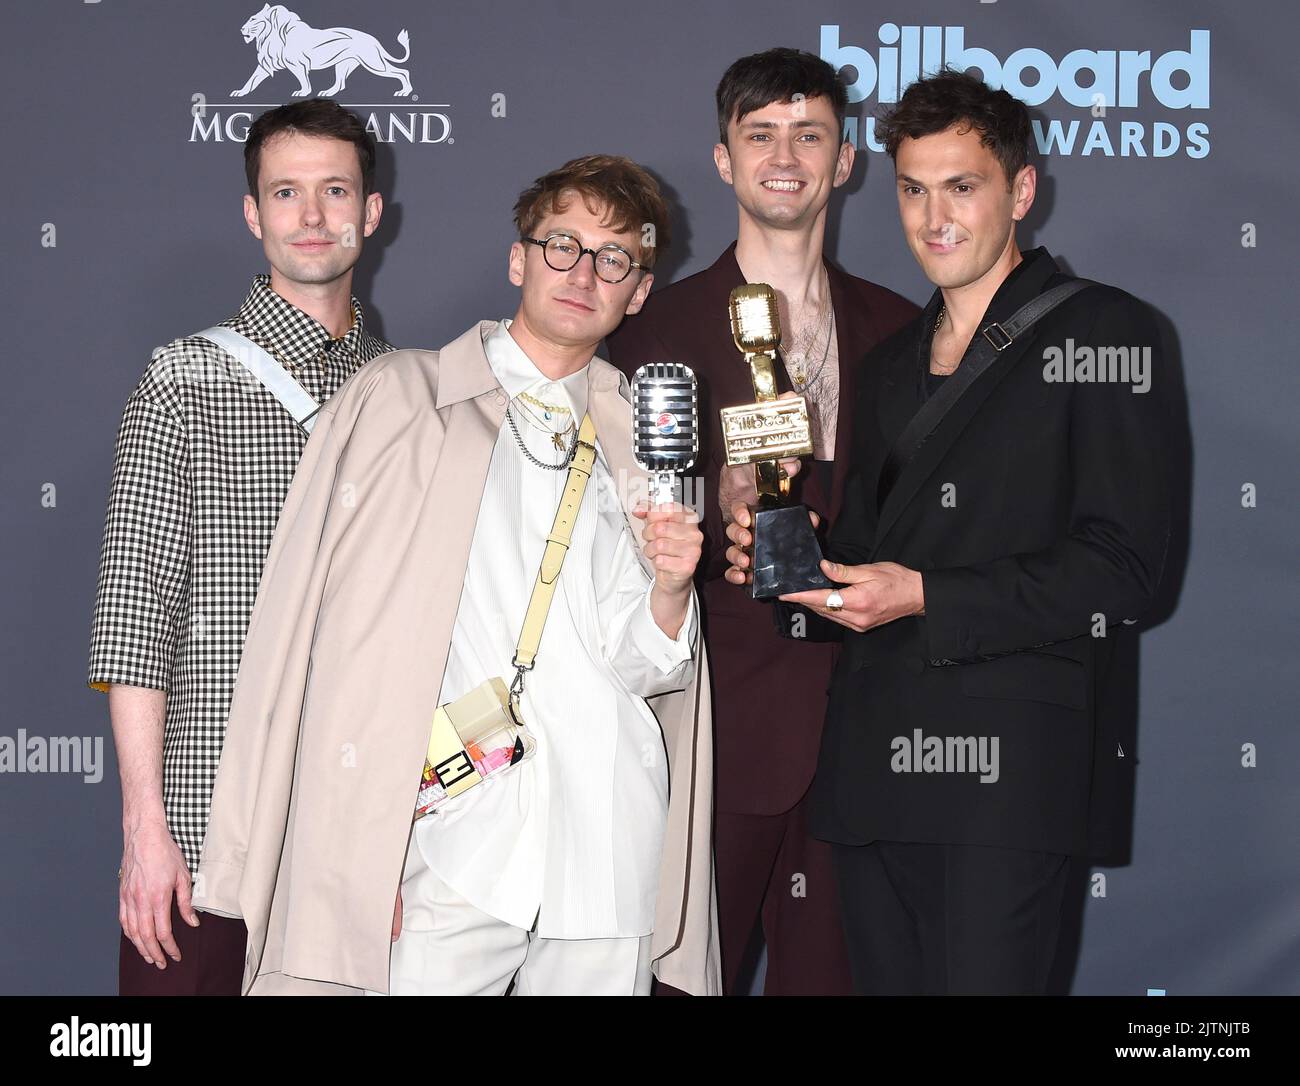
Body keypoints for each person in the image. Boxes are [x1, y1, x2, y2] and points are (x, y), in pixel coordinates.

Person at [193, 154, 721, 997]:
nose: (584, 273)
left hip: (606, 839)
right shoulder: (398, 399)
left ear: (640, 290)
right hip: (452, 831)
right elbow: (316, 638)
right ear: (518, 259)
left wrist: (669, 589)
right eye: (562, 246)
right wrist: (359, 849)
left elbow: (649, 667)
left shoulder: (647, 442)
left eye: (613, 257)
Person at [724, 68, 1171, 995]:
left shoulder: (1110, 333)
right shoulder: (889, 360)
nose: (935, 217)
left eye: (961, 187)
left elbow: (1127, 569)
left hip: (1009, 780)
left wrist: (926, 595)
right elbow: (870, 559)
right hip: (872, 777)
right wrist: (790, 553)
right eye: (914, 189)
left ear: (1021, 191)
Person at [606, 47, 916, 995]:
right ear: (725, 160)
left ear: (846, 160)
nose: (786, 156)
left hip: (864, 735)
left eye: (810, 134)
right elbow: (604, 537)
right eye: (762, 135)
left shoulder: (903, 329)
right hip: (710, 729)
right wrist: (706, 512)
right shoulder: (654, 331)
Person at [87, 99, 391, 996]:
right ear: (254, 214)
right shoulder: (184, 378)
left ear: (371, 213)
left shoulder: (405, 394)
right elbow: (133, 620)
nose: (311, 216)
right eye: (286, 193)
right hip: (204, 827)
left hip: (351, 836)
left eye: (335, 191)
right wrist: (147, 828)